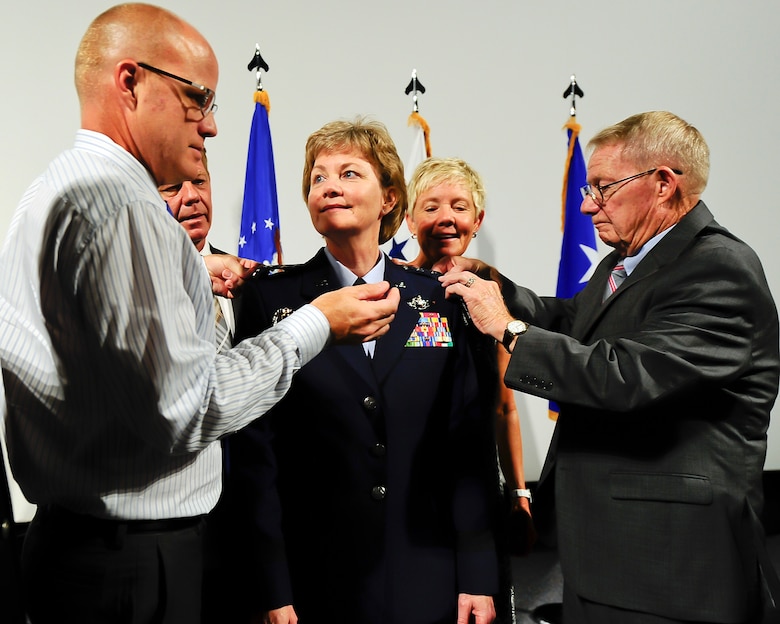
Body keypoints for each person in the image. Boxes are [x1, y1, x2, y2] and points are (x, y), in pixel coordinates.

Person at [0, 5, 399, 623]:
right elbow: (186, 411)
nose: (210, 126)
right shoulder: (123, 209)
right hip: (133, 565)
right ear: (130, 83)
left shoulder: (57, 187)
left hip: (85, 548)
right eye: (198, 98)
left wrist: (187, 282)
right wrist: (316, 323)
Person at [439, 111, 780, 624]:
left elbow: (627, 375)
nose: (585, 204)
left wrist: (508, 328)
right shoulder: (624, 262)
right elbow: (578, 322)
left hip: (670, 570)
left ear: (663, 184)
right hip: (604, 558)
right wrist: (498, 286)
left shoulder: (720, 268)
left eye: (601, 188)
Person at [214, 118, 499, 624]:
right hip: (314, 576)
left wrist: (477, 571)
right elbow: (257, 457)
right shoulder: (272, 298)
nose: (329, 187)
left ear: (390, 199)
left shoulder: (437, 298)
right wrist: (271, 586)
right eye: (318, 178)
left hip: (426, 569)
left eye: (349, 173)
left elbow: (466, 442)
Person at [405, 157, 534, 621]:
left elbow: (505, 407)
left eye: (460, 207)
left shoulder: (491, 291)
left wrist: (520, 493)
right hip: (411, 491)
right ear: (407, 216)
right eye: (432, 206)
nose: (446, 218)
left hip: (478, 488)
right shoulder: (390, 289)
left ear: (477, 221)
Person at [159, 149, 238, 350]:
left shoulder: (244, 279)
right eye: (173, 187)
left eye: (199, 182)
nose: (192, 196)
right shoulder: (134, 286)